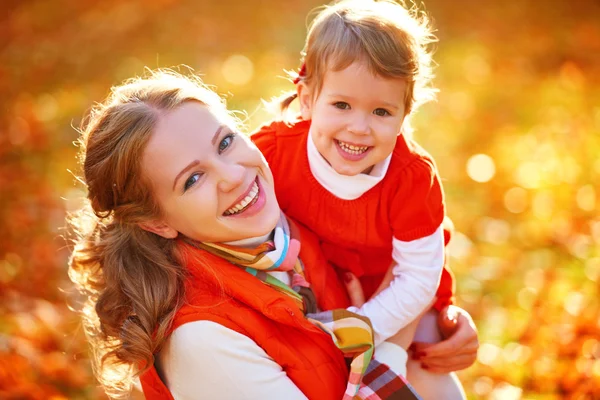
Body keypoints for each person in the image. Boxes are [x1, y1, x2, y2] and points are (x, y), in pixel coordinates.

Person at [68, 71, 426, 400]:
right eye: (193, 179)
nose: (234, 177)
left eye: (224, 143)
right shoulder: (203, 341)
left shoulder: (285, 223)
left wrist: (437, 318)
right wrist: (396, 346)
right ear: (157, 223)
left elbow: (413, 233)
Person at [251, 0, 478, 397]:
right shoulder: (272, 152)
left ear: (405, 113)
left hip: (397, 297)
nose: (359, 128)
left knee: (429, 372)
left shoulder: (411, 178)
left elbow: (418, 278)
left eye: (381, 112)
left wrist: (366, 328)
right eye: (341, 105)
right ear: (307, 99)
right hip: (314, 291)